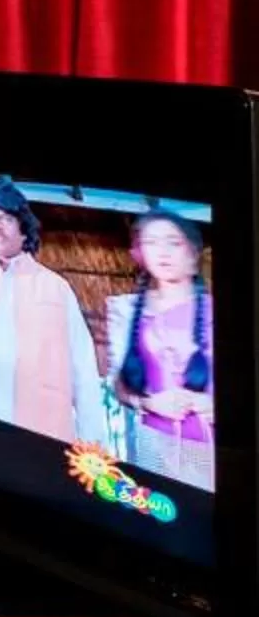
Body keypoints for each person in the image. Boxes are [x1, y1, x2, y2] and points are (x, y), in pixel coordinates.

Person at [0, 179, 107, 447]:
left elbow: (83, 367)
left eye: (5, 218)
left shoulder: (56, 288)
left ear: (24, 230)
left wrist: (93, 442)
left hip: (41, 431)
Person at [104, 209, 215, 490]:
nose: (162, 252)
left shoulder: (215, 310)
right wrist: (148, 403)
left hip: (210, 448)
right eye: (151, 243)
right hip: (153, 442)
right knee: (156, 508)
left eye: (173, 242)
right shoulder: (125, 310)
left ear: (193, 254)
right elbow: (118, 383)